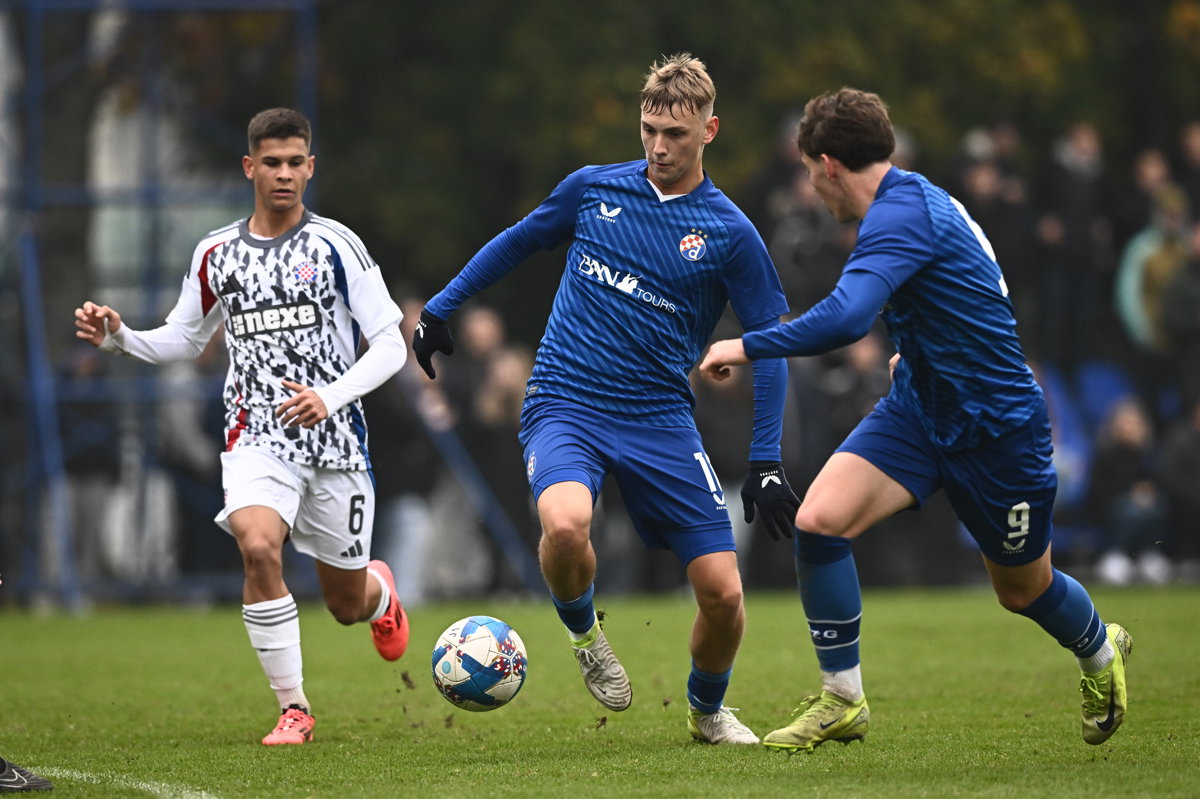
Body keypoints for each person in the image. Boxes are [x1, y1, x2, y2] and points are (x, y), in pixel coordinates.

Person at [699, 88, 1131, 752]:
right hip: (920, 406)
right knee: (818, 521)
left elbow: (846, 317)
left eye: (812, 173)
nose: (813, 189)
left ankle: (1099, 651)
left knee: (1022, 589)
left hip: (996, 428)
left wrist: (747, 342)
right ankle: (842, 697)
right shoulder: (911, 199)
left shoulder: (898, 216)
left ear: (830, 165)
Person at [412, 53, 799, 744]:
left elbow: (770, 342)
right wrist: (441, 308)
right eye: (649, 127)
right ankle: (586, 633)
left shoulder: (731, 234)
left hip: (659, 418)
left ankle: (707, 711)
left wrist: (766, 460)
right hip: (567, 400)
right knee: (564, 524)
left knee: (724, 594)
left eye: (675, 133)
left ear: (711, 130)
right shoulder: (594, 189)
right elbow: (520, 240)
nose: (657, 145)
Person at [72, 108, 410, 746]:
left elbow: (391, 344)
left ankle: (379, 594)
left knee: (343, 605)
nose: (284, 175)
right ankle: (295, 709)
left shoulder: (337, 244)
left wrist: (331, 396)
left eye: (296, 163)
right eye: (272, 163)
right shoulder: (215, 253)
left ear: (311, 167)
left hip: (335, 443)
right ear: (250, 167)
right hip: (254, 436)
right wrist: (122, 339)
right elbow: (183, 337)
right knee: (257, 546)